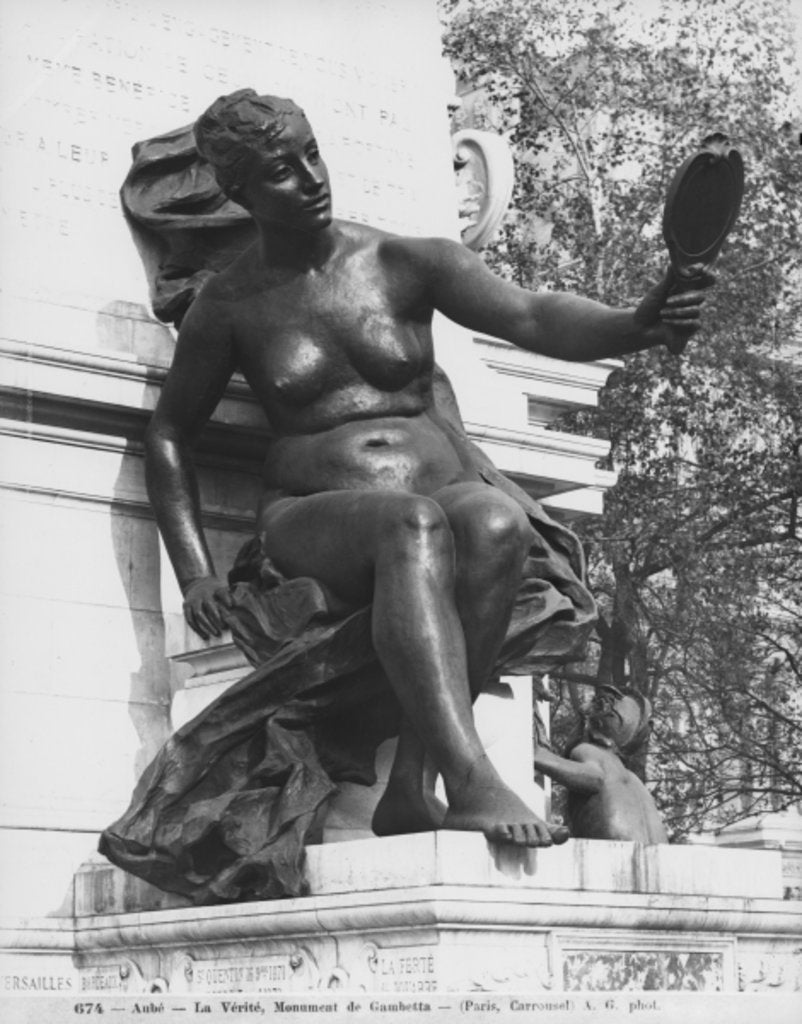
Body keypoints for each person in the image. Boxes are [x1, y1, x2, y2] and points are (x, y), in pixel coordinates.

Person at [100, 89, 711, 901]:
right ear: (242, 193)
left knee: (494, 520)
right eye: (281, 173)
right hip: (310, 520)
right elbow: (170, 434)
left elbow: (531, 316)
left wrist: (639, 321)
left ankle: (411, 783)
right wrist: (196, 572)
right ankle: (472, 774)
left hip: (435, 502)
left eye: (312, 154)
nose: (310, 179)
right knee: (415, 525)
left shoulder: (402, 262)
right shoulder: (231, 303)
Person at [534, 686, 669, 843]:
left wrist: (537, 754)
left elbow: (594, 778)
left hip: (611, 855)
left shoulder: (589, 751)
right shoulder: (636, 783)